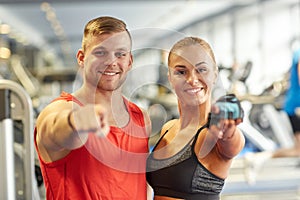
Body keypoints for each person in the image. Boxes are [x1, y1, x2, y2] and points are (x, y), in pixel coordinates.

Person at [34, 16, 151, 200]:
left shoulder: (140, 117)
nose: (111, 62)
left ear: (129, 61)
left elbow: (142, 186)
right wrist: (77, 122)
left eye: (120, 54)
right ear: (81, 58)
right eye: (100, 53)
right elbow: (54, 129)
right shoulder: (59, 110)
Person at [146, 37, 245, 200]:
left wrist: (228, 130)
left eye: (201, 70)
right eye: (181, 72)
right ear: (170, 78)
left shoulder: (212, 135)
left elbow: (232, 142)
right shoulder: (168, 128)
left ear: (214, 74)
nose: (192, 79)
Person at [244, 48, 300, 185]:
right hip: (297, 106)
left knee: (297, 150)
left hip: (295, 105)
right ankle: (257, 158)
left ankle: (257, 158)